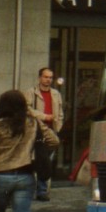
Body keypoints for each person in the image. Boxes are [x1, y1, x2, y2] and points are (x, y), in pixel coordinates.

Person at [24, 67, 63, 201]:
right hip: (36, 130)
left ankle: (42, 190)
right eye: (46, 77)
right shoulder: (31, 92)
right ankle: (38, 190)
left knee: (46, 162)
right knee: (38, 161)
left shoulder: (56, 93)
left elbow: (60, 112)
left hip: (51, 130)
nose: (48, 80)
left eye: (51, 77)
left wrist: (58, 125)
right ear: (40, 77)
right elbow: (27, 109)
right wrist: (44, 116)